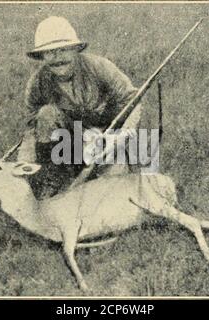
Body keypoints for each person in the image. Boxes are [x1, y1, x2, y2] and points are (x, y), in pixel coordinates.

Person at [18, 16, 142, 198]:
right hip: (68, 144)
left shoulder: (100, 67)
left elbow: (133, 99)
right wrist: (23, 165)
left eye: (63, 50)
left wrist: (124, 134)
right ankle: (54, 177)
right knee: (46, 114)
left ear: (76, 49)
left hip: (107, 138)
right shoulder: (37, 83)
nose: (57, 58)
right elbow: (31, 130)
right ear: (42, 56)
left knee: (110, 190)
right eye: (50, 52)